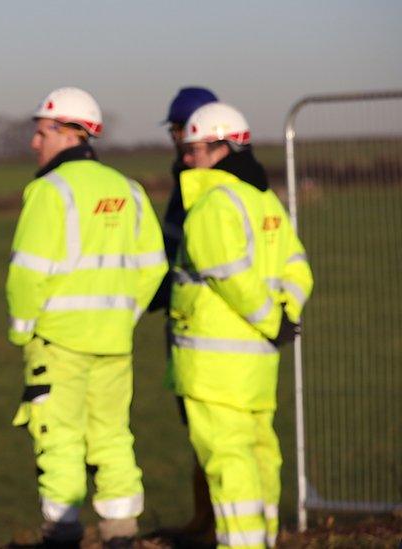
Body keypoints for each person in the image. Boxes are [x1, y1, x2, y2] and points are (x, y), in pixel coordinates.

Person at [6, 88, 167, 548]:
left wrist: (21, 330)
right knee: (114, 437)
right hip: (114, 343)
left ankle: (62, 535)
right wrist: (123, 315)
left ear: (68, 132)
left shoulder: (48, 191)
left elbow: (27, 273)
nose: (34, 143)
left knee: (58, 441)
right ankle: (122, 534)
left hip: (57, 343)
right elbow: (154, 266)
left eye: (41, 132)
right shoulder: (129, 190)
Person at [169, 102, 314, 549]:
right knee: (260, 456)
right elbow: (298, 266)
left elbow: (228, 271)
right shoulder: (263, 199)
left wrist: (272, 320)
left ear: (220, 147)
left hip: (215, 366)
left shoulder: (214, 202)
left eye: (193, 149)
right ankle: (265, 538)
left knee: (229, 463)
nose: (186, 158)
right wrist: (285, 315)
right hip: (257, 363)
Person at [148, 86, 220, 547]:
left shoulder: (207, 187)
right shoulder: (185, 178)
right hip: (184, 314)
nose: (176, 138)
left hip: (206, 325)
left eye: (180, 130)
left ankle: (215, 524)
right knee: (195, 424)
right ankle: (204, 519)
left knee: (211, 427)